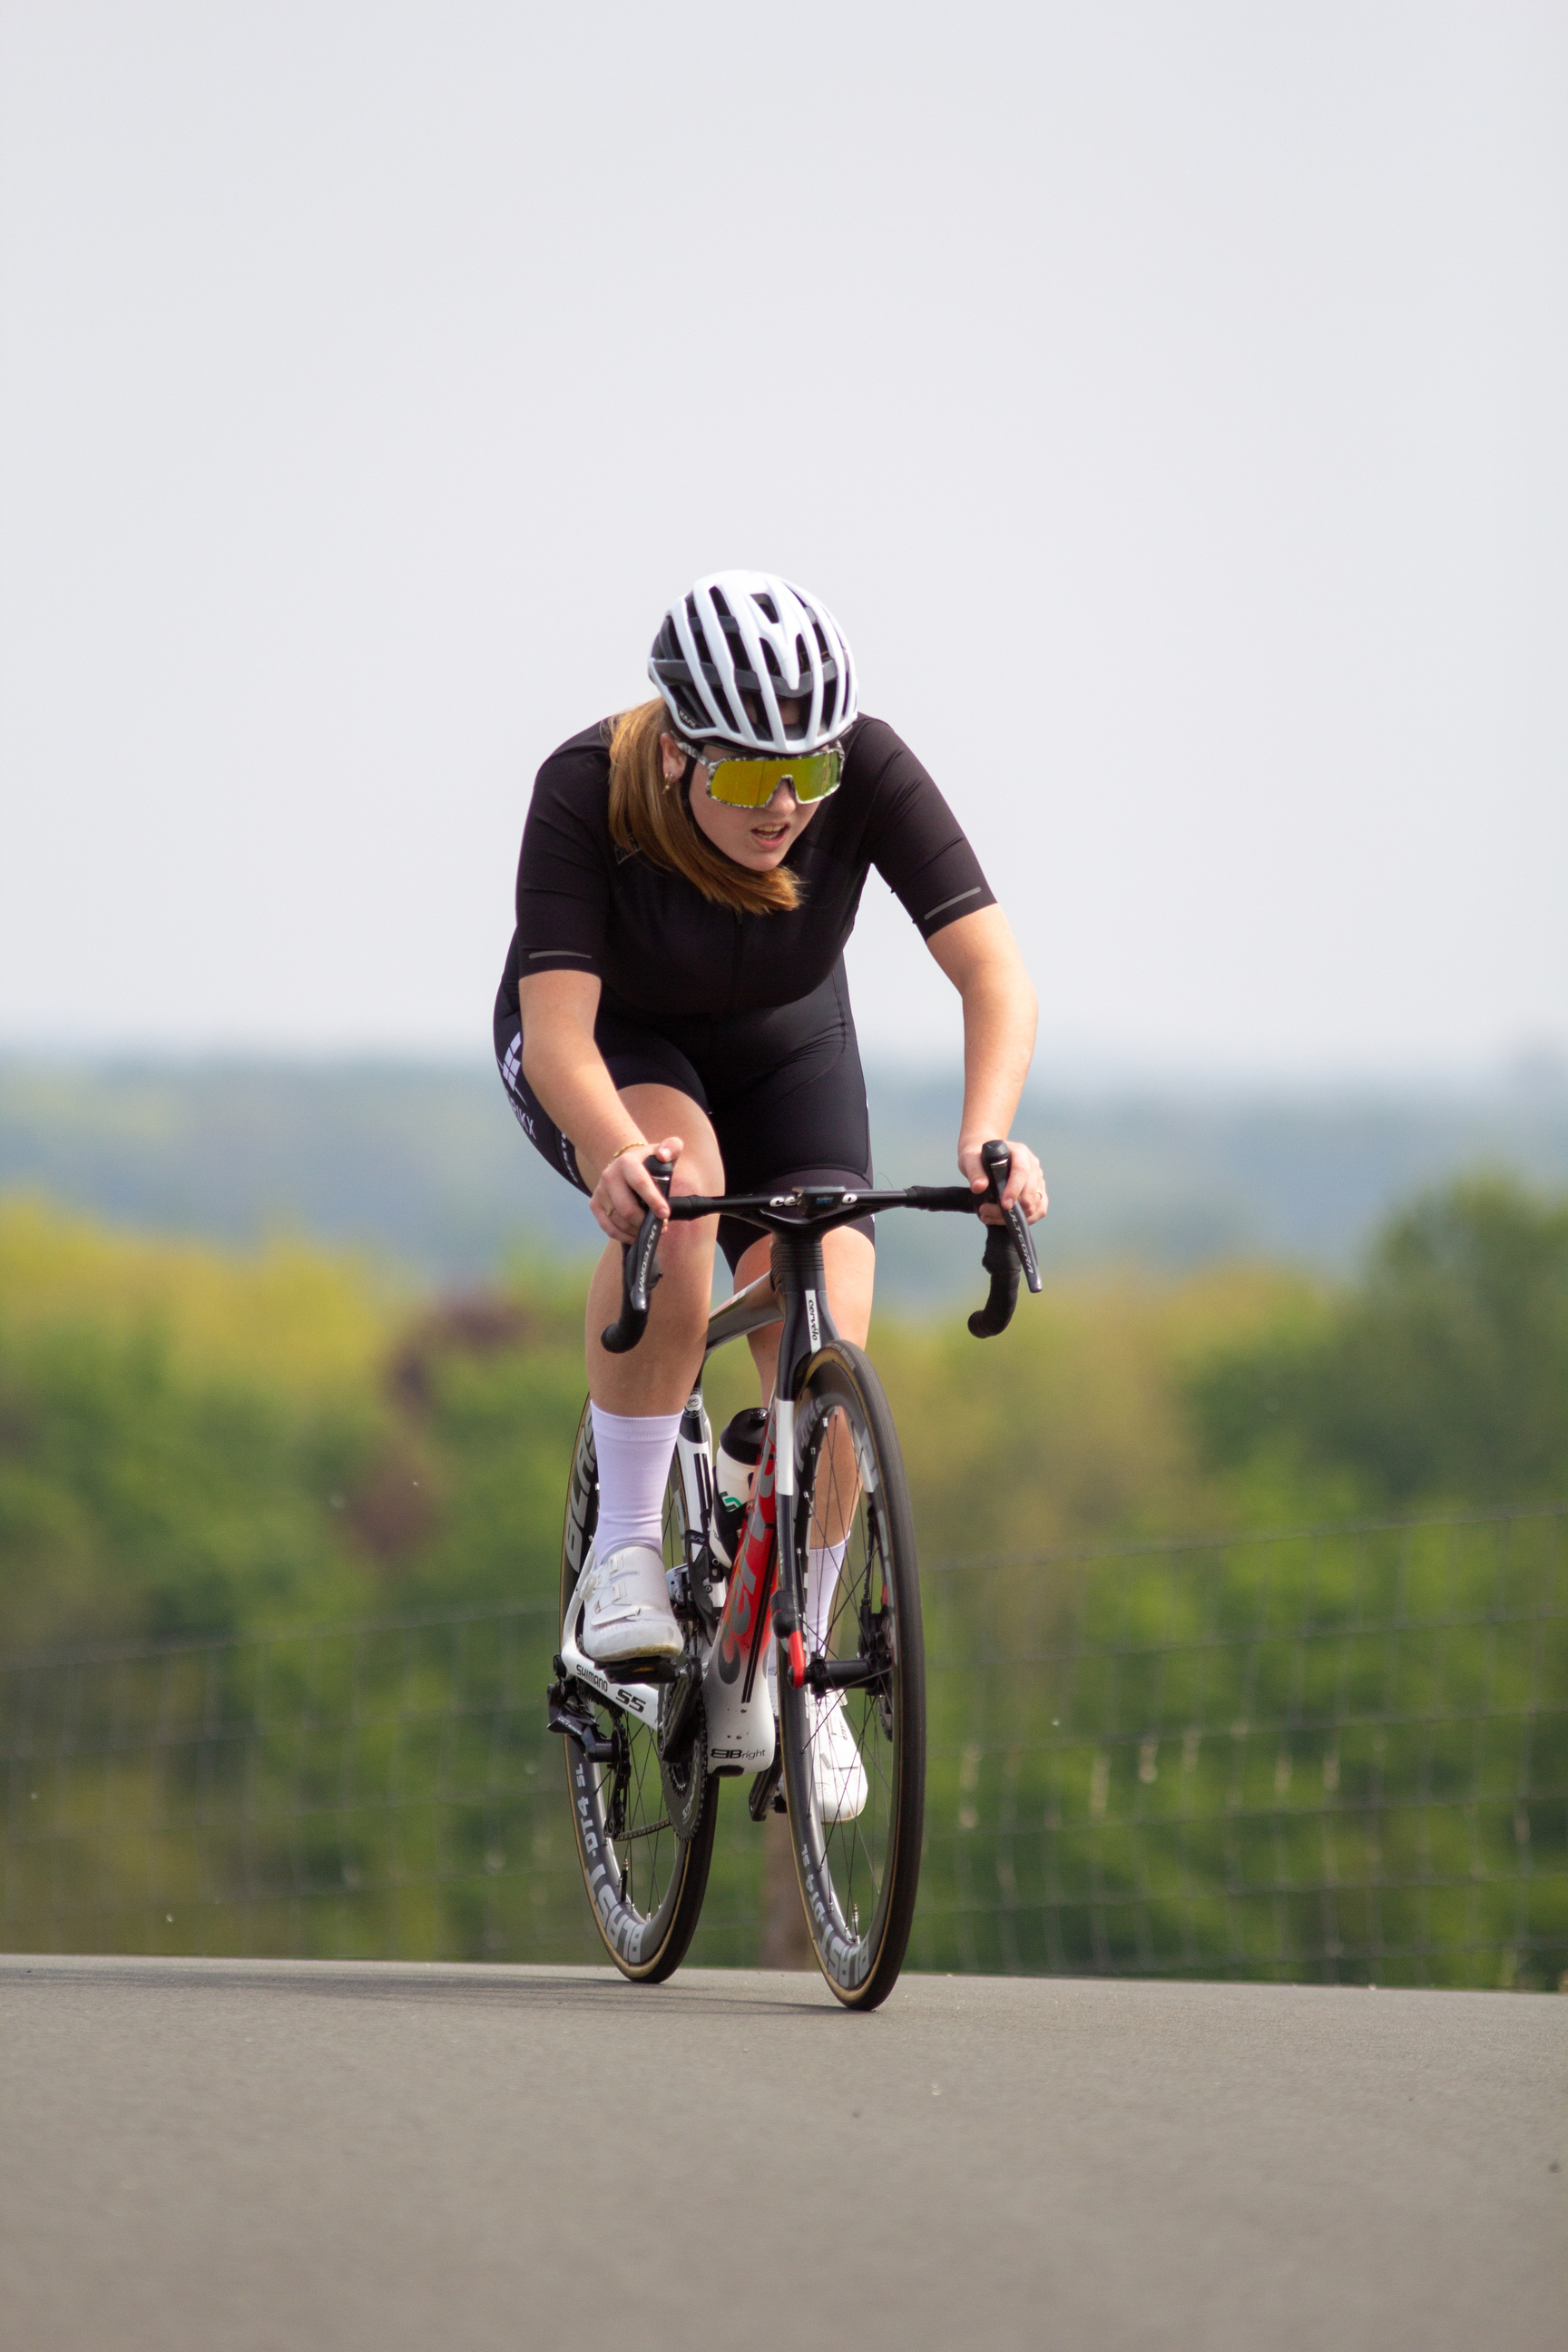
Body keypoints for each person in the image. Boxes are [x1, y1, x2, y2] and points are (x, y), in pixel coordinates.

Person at [495, 571, 1045, 1813]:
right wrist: (611, 1157)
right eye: (747, 776)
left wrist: (990, 1134)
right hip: (611, 1047)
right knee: (682, 1208)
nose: (785, 804)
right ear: (681, 748)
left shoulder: (870, 766)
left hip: (787, 1043)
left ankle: (806, 1670)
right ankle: (631, 1548)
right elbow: (565, 1035)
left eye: (810, 773)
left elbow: (994, 973)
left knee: (828, 1333)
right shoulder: (587, 787)